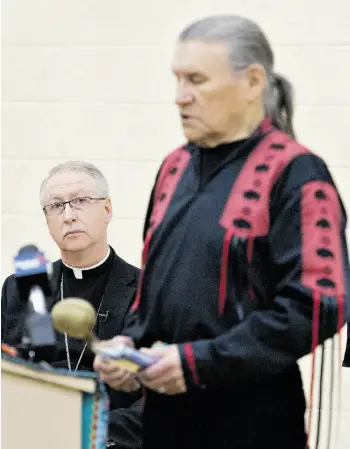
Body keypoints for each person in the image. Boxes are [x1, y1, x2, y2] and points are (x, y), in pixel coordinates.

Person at [94, 15, 350, 449]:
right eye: (177, 79)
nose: (180, 97)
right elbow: (155, 290)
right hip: (162, 420)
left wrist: (199, 363)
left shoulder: (298, 173)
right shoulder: (174, 168)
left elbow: (319, 304)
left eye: (196, 80)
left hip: (250, 422)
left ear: (252, 81)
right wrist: (130, 344)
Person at [1, 161, 143, 449]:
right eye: (56, 206)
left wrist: (91, 430)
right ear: (47, 220)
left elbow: (160, 393)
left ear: (107, 210)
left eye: (80, 201)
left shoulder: (147, 291)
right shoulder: (22, 288)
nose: (68, 216)